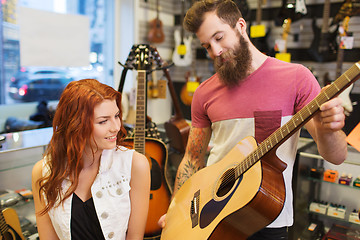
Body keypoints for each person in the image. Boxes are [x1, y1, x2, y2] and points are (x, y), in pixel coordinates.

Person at [159, 0, 348, 239]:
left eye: (219, 38)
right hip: (211, 219)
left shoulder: (297, 78)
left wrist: (329, 129)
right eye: (207, 46)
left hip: (267, 214)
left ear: (240, 26)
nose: (215, 52)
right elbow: (192, 159)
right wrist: (177, 210)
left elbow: (337, 156)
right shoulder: (204, 93)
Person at [32, 79, 150, 240]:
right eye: (103, 121)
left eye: (116, 116)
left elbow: (135, 237)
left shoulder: (135, 165)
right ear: (76, 125)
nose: (116, 127)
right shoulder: (43, 172)